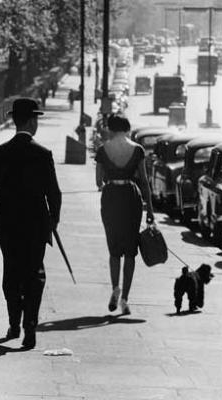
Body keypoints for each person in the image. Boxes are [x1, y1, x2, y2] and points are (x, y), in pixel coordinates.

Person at [0, 97, 62, 349]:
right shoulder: (43, 154)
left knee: (11, 274)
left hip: (8, 225)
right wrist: (53, 221)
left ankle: (14, 322)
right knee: (35, 275)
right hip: (36, 225)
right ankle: (30, 325)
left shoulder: (0, 153)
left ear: (14, 120)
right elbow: (54, 194)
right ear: (32, 121)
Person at [95, 114, 154, 315]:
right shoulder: (137, 150)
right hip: (131, 197)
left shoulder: (103, 149)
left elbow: (98, 181)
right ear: (126, 128)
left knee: (114, 248)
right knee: (130, 250)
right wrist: (151, 211)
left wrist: (109, 179)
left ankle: (115, 288)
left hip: (111, 198)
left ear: (110, 129)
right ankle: (125, 300)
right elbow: (145, 182)